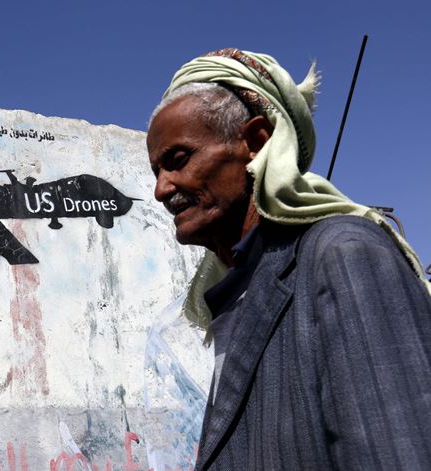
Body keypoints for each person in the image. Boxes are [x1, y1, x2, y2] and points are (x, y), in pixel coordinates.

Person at [146, 48, 431, 470]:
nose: (162, 190)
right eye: (156, 171)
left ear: (256, 142)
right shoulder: (237, 291)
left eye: (178, 160)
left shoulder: (343, 254)